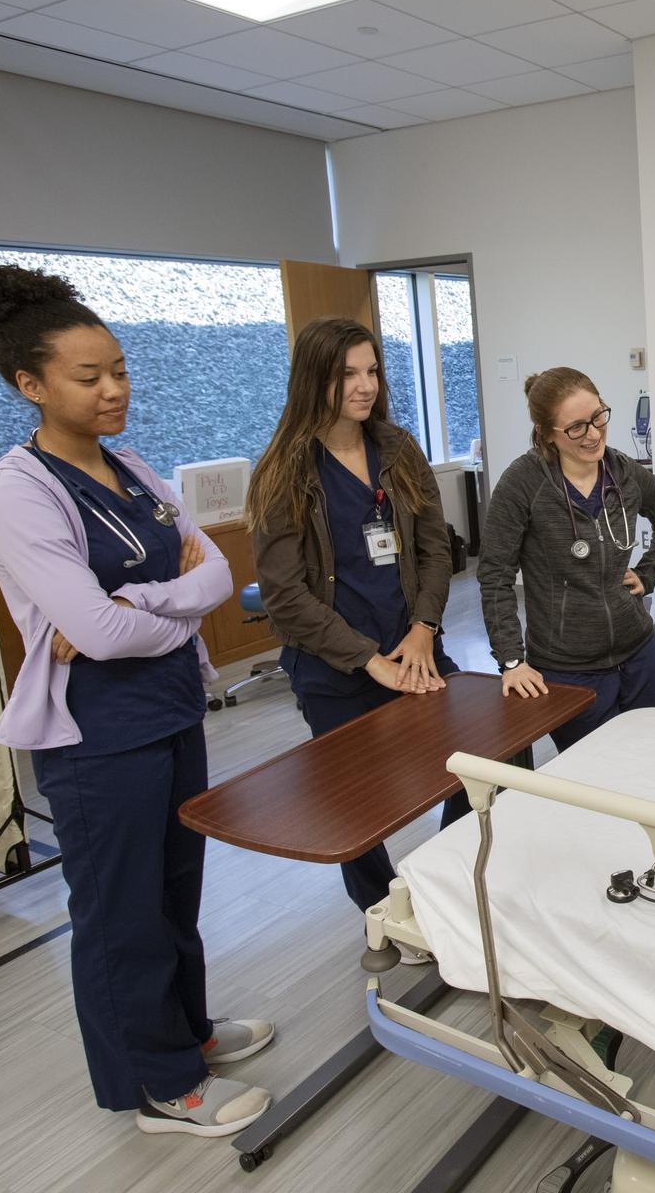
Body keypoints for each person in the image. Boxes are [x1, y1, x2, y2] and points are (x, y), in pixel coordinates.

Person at [0, 266, 272, 1138]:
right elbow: (93, 638)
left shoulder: (132, 467)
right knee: (119, 914)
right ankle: (158, 1085)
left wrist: (140, 604)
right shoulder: (18, 491)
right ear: (31, 385)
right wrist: (157, 606)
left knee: (177, 896)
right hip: (98, 735)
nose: (114, 390)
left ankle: (190, 1034)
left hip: (172, 710)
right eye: (88, 377)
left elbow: (215, 572)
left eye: (120, 370)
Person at [250, 316, 459, 910]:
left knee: (474, 765)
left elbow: (434, 547)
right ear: (314, 380)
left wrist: (423, 631)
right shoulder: (283, 472)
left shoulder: (397, 449)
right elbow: (286, 597)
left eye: (371, 371)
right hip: (337, 668)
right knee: (356, 804)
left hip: (415, 648)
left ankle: (441, 889)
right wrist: (369, 660)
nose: (364, 386)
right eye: (347, 374)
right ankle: (382, 909)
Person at [479, 366, 655, 750]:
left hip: (639, 653)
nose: (593, 434)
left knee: (651, 764)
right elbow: (495, 575)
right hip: (569, 669)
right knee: (594, 784)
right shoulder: (523, 484)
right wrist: (511, 660)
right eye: (576, 427)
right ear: (546, 434)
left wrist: (648, 572)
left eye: (598, 417)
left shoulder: (623, 471)